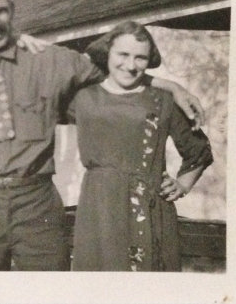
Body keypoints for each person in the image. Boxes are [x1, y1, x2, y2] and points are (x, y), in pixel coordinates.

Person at [0, 0, 205, 271]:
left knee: (52, 291)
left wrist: (172, 86)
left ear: (12, 10)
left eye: (0, 12)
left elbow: (119, 71)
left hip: (35, 202)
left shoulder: (53, 61)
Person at [68, 21, 213, 271]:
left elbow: (198, 150)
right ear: (108, 53)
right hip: (98, 205)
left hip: (148, 207)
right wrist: (171, 83)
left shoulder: (163, 100)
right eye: (123, 54)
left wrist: (183, 184)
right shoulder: (82, 98)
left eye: (140, 58)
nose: (131, 65)